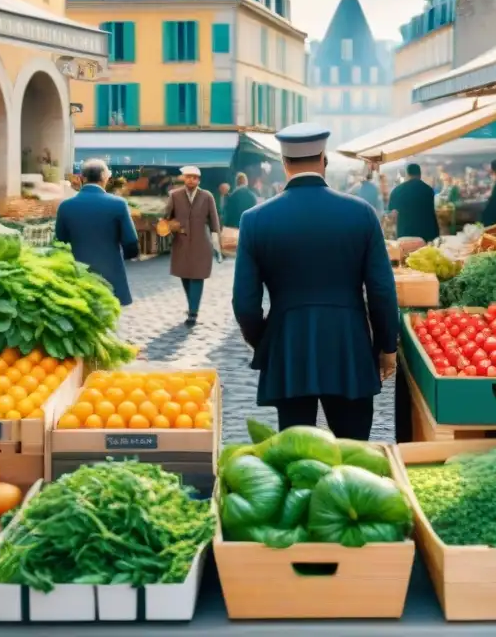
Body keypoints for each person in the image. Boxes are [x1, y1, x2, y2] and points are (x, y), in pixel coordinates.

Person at [232, 124, 399, 440]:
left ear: (284, 163)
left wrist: (265, 342)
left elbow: (244, 303)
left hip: (289, 345)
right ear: (324, 158)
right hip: (349, 343)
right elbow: (381, 290)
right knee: (355, 454)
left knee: (298, 456)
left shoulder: (254, 220)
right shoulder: (361, 213)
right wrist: (387, 345)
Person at [55, 159, 139, 306]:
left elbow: (60, 241)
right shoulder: (118, 204)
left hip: (78, 274)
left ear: (82, 178)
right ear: (105, 178)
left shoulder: (66, 206)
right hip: (110, 274)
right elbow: (131, 242)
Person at [165, 166, 222, 326]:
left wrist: (217, 246)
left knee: (197, 276)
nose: (191, 180)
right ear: (184, 178)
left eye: (195, 177)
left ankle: (193, 312)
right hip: (181, 242)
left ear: (199, 180)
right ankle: (192, 305)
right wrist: (170, 225)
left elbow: (214, 221)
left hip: (201, 243)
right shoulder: (174, 195)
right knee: (184, 275)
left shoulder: (207, 196)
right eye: (188, 177)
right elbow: (166, 217)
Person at [387, 163, 440, 241]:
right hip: (427, 234)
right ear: (420, 175)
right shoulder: (428, 190)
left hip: (405, 234)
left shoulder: (397, 191)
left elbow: (391, 213)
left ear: (407, 174)